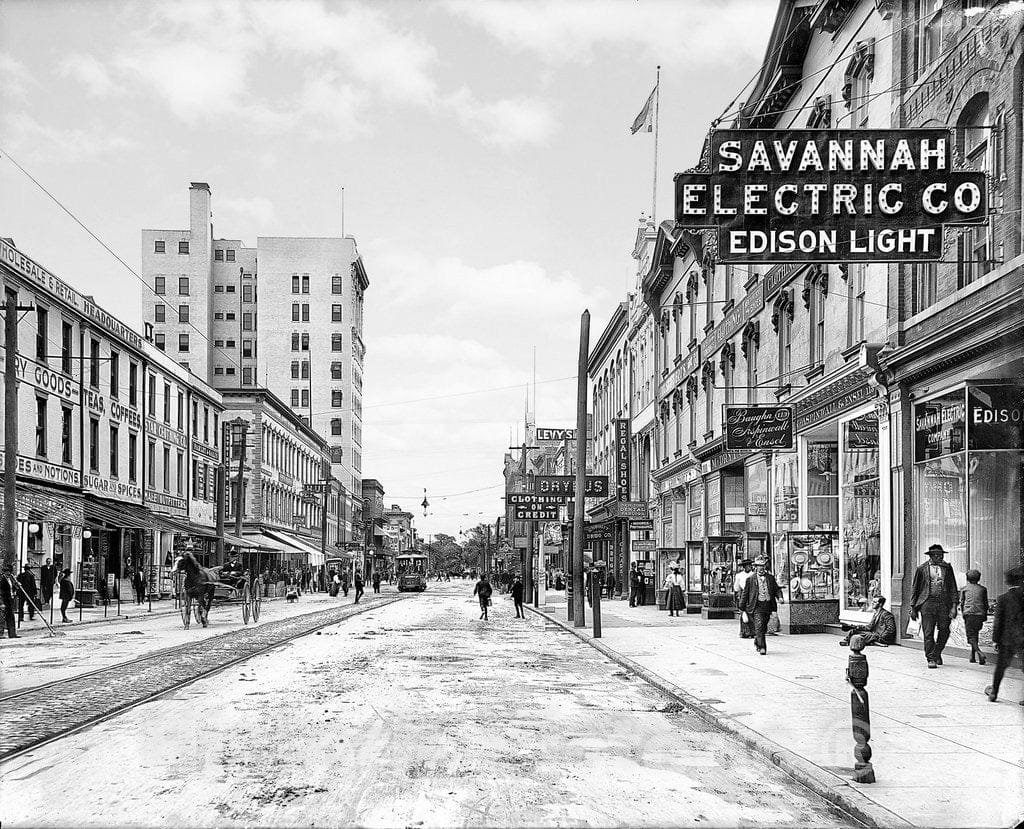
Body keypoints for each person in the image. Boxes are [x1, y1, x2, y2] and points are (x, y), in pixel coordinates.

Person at [910, 543, 959, 668]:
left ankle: (937, 652)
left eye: (941, 555)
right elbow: (915, 588)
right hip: (927, 603)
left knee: (944, 630)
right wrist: (913, 608)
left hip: (944, 604)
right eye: (937, 555)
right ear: (931, 556)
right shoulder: (921, 569)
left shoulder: (947, 568)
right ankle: (930, 658)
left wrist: (954, 606)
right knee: (928, 632)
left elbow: (953, 587)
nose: (940, 557)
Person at [987, 565, 1024, 704]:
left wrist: (996, 639)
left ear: (1008, 582)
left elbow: (998, 621)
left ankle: (994, 692)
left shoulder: (1003, 598)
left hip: (1007, 638)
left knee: (1000, 667)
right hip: (1022, 637)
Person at [740, 556, 784, 655]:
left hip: (768, 605)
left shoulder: (770, 578)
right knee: (759, 625)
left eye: (762, 565)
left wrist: (780, 597)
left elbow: (776, 589)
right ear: (755, 567)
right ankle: (762, 647)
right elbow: (745, 593)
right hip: (757, 606)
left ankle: (757, 640)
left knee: (763, 626)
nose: (761, 568)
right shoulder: (750, 579)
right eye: (759, 566)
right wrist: (742, 607)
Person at [959, 569, 989, 665]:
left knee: (970, 636)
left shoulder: (964, 589)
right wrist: (985, 615)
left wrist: (963, 614)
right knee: (975, 634)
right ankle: (972, 656)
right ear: (979, 578)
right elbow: (985, 603)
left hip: (969, 614)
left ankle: (979, 653)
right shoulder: (983, 589)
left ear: (967, 578)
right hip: (979, 614)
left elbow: (962, 603)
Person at [734, 558, 754, 638]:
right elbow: (736, 587)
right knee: (744, 613)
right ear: (744, 567)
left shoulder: (753, 575)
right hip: (743, 595)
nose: (749, 567)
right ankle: (744, 632)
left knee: (751, 614)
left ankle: (752, 632)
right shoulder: (739, 575)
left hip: (752, 595)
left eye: (750, 566)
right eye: (747, 566)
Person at [1, 566, 18, 638]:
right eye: (7, 571)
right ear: (4, 572)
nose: (9, 573)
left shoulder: (11, 579)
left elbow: (12, 588)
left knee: (11, 616)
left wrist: (16, 586)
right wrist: (1, 603)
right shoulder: (1, 579)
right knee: (1, 618)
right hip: (4, 600)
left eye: (10, 571)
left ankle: (12, 633)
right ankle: (0, 633)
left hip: (10, 600)